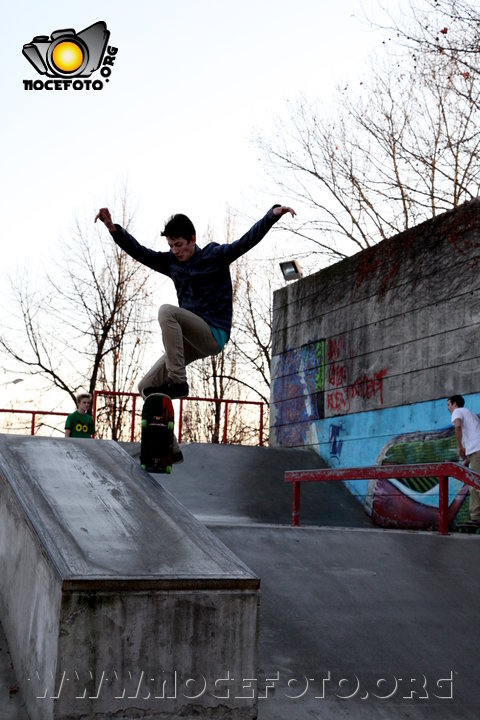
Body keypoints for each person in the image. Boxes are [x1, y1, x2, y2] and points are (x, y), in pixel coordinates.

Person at [94, 203, 295, 400]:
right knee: (147, 386)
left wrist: (272, 216)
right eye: (171, 246)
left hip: (214, 332)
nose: (175, 251)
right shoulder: (171, 263)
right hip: (189, 338)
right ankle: (166, 433)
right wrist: (113, 229)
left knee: (166, 312)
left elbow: (245, 242)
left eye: (179, 245)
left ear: (192, 239)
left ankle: (179, 383)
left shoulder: (215, 255)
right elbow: (140, 252)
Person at [447, 394, 480, 523]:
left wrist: (459, 446)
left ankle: (476, 518)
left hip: (477, 450)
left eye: (449, 405)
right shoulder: (470, 414)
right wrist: (468, 459)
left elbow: (458, 426)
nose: (448, 408)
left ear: (455, 404)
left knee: (475, 483)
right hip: (476, 451)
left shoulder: (457, 411)